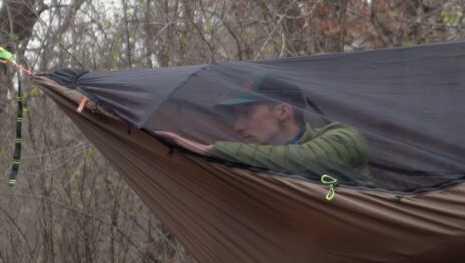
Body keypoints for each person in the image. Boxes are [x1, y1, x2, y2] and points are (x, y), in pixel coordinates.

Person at [155, 71, 372, 186]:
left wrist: (212, 152)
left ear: (283, 112)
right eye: (236, 116)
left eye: (246, 114)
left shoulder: (344, 139)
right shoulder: (255, 168)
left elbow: (303, 160)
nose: (237, 127)